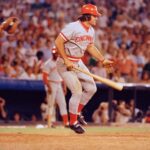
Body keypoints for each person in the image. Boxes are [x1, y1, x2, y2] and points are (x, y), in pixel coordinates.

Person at [55, 3, 113, 134]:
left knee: (92, 88)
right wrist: (66, 59)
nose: (97, 18)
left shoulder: (91, 30)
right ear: (87, 16)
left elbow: (90, 47)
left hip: (78, 62)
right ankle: (73, 122)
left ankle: (77, 112)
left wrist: (102, 60)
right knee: (77, 91)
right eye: (95, 16)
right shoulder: (73, 27)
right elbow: (58, 42)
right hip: (65, 63)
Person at [42, 49, 69, 128]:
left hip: (59, 84)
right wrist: (48, 87)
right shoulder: (48, 63)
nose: (56, 54)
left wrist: (64, 86)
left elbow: (63, 75)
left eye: (57, 53)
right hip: (51, 83)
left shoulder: (60, 62)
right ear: (52, 53)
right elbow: (44, 77)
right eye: (54, 53)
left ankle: (66, 123)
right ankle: (50, 123)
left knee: (63, 103)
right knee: (51, 104)